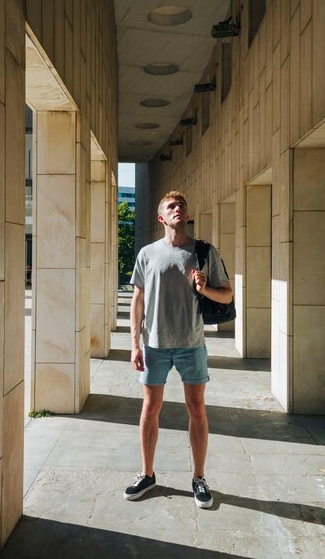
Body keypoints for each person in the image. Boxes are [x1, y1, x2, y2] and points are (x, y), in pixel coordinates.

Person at [123, 191, 233, 507]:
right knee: (150, 408)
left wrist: (205, 287)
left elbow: (226, 297)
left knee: (196, 409)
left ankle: (199, 478)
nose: (178, 208)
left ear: (186, 215)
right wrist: (134, 344)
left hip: (192, 344)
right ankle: (146, 474)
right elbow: (138, 301)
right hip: (155, 345)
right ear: (162, 218)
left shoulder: (204, 252)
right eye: (171, 206)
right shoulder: (147, 254)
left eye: (182, 205)